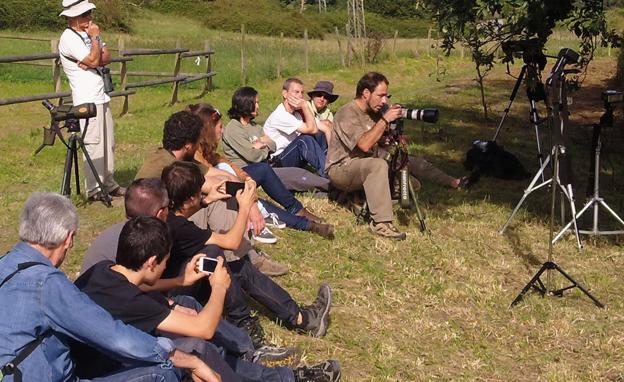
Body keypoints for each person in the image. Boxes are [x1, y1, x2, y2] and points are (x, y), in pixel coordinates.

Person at [76, 216, 341, 382]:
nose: (168, 266)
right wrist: (219, 288)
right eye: (166, 262)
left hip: (111, 350)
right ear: (151, 262)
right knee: (196, 346)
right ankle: (283, 377)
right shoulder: (128, 301)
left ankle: (252, 363)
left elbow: (141, 290)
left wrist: (181, 282)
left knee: (187, 305)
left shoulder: (104, 271)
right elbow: (204, 328)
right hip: (107, 370)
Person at [0, 192, 220, 381]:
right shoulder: (47, 284)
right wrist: (188, 360)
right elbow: (118, 339)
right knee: (163, 372)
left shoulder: (6, 265)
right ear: (69, 239)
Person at [162, 161, 333, 346]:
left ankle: (300, 318)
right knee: (218, 256)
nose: (201, 195)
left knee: (232, 266)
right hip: (174, 296)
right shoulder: (181, 228)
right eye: (198, 193)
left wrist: (207, 200)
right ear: (188, 200)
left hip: (173, 283)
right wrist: (245, 206)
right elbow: (231, 242)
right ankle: (247, 323)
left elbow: (186, 218)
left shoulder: (167, 216)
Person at [135, 110, 288, 276]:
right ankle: (239, 262)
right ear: (188, 145)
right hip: (154, 233)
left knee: (218, 197)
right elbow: (219, 185)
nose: (199, 146)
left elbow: (220, 175)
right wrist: (249, 206)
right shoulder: (169, 165)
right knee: (222, 200)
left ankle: (243, 255)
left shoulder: (175, 156)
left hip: (166, 220)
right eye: (197, 142)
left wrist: (246, 184)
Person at [58, 0, 125, 201]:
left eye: (89, 13)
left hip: (100, 95)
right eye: (85, 14)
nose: (89, 18)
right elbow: (96, 60)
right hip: (87, 98)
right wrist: (95, 41)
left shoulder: (88, 34)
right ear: (74, 17)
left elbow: (106, 57)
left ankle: (109, 183)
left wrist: (93, 54)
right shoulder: (69, 38)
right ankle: (95, 189)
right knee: (93, 143)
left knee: (108, 142)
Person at [263, 78, 328, 177]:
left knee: (319, 134)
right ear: (285, 94)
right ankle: (328, 174)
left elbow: (324, 127)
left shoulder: (296, 114)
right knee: (304, 140)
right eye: (296, 92)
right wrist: (305, 106)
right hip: (277, 163)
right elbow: (312, 129)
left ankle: (332, 167)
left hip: (292, 155)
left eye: (302, 93)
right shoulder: (280, 115)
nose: (300, 96)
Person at [307, 80, 339, 145]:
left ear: (328, 101)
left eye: (326, 97)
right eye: (319, 95)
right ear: (313, 96)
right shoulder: (306, 106)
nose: (322, 99)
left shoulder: (328, 113)